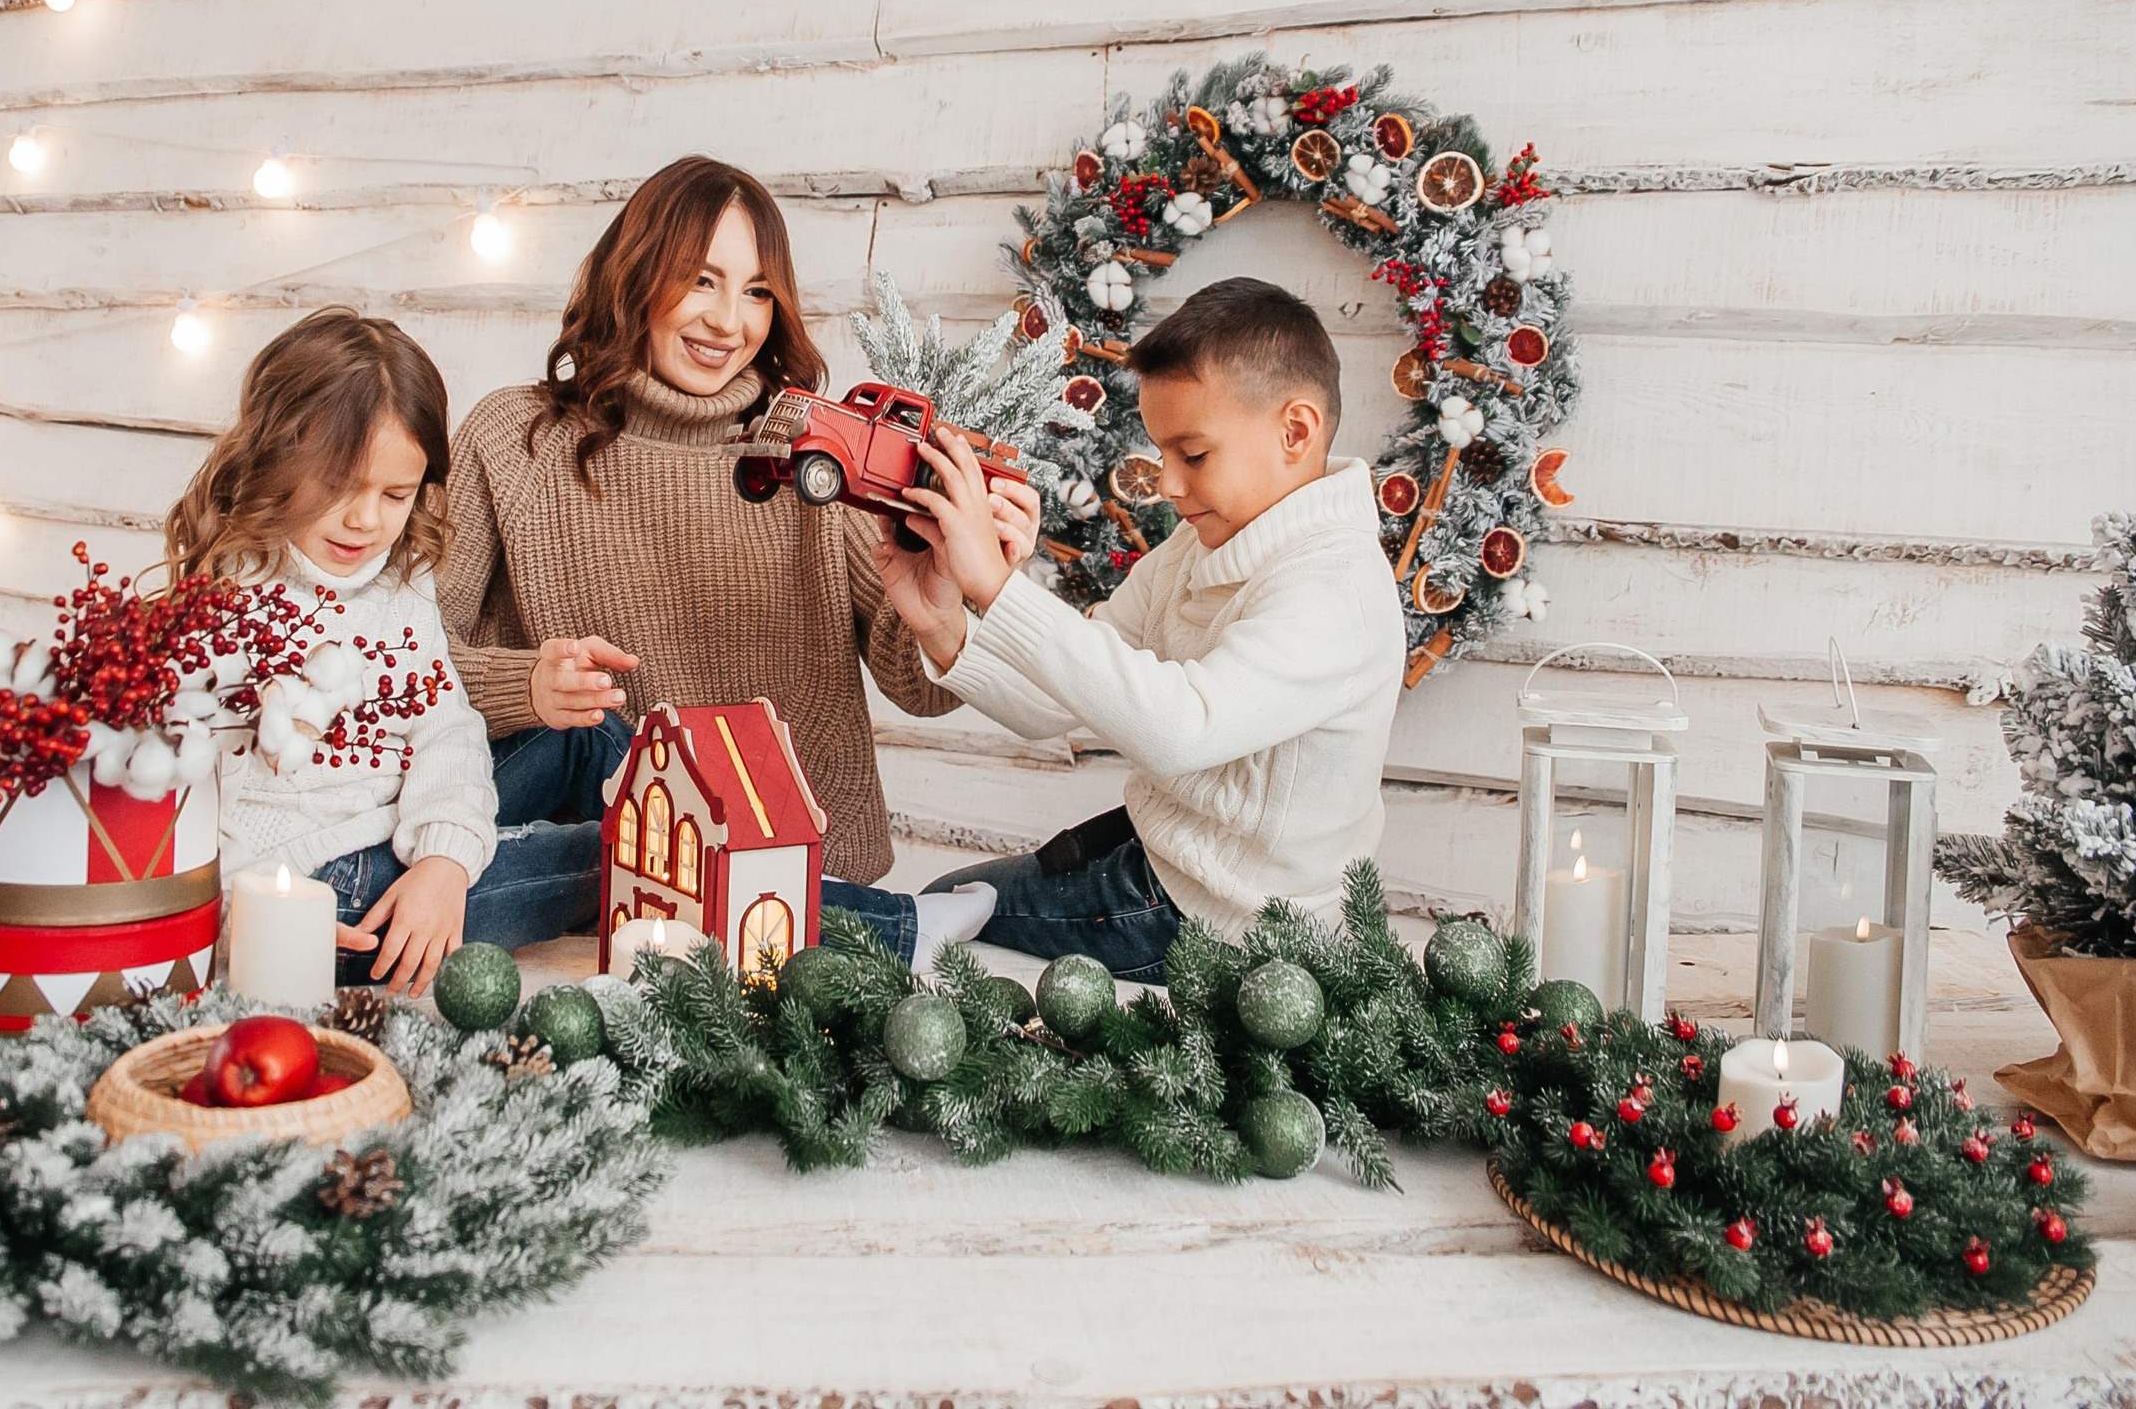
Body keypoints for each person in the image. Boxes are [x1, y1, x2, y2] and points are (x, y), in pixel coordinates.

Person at [437, 156, 1036, 966]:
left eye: (757, 291)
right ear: (634, 277)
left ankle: (867, 923)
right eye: (700, 281)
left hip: (801, 884)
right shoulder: (514, 440)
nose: (729, 321)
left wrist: (951, 603)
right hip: (600, 882)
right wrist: (528, 686)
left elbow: (919, 691)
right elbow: (410, 671)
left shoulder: (806, 453)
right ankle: (883, 928)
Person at [830, 276, 1407, 982]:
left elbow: (1178, 732)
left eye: (1193, 455)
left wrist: (1000, 586)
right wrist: (947, 623)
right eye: (1162, 453)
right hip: (1152, 861)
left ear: (1295, 431)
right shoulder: (1200, 548)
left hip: (1224, 926)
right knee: (942, 903)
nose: (1167, 484)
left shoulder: (1332, 588)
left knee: (931, 930)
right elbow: (1054, 705)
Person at [168, 308, 597, 996]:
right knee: (619, 859)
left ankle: (740, 824)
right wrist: (237, 916)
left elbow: (445, 725)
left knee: (587, 737)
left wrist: (446, 858)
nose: (366, 521)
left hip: (398, 829)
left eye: (396, 494)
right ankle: (815, 904)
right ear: (277, 456)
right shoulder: (227, 605)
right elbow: (171, 802)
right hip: (329, 896)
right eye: (339, 487)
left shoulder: (398, 578)